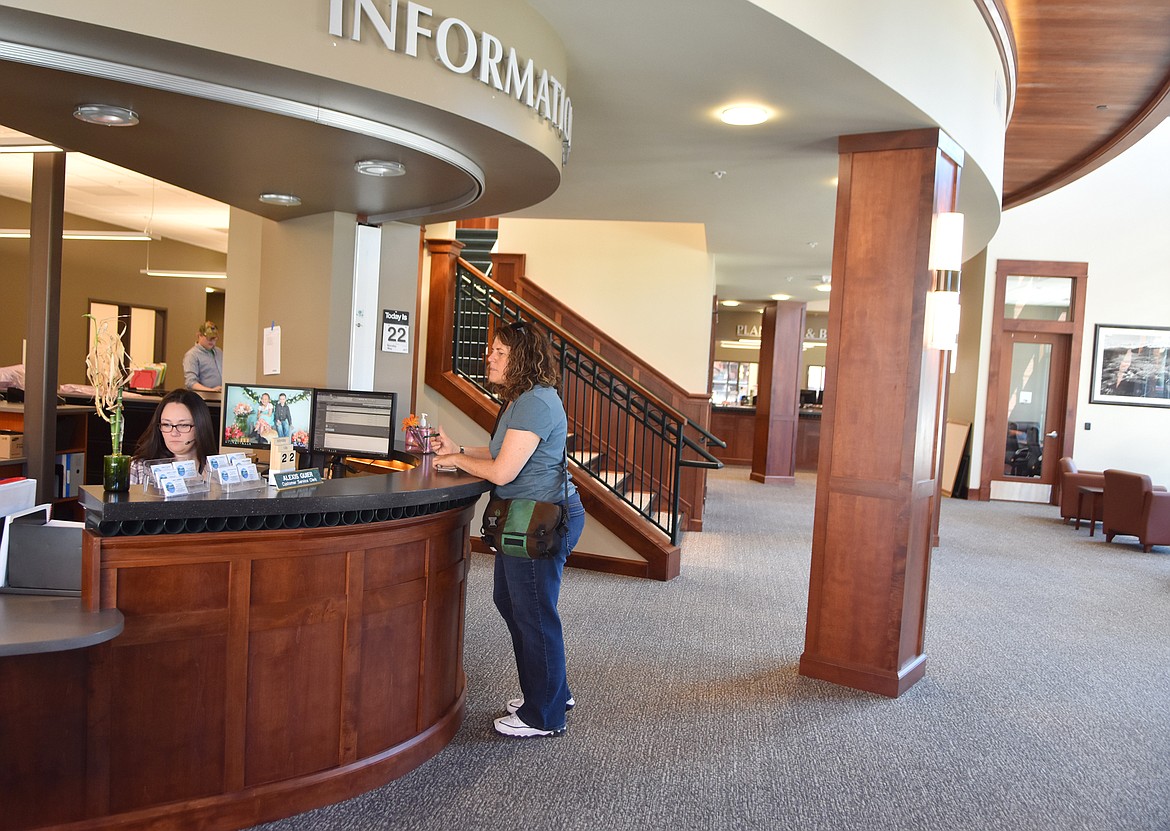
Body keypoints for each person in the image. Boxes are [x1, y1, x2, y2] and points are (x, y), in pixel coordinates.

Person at [430, 321, 585, 739]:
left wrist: (459, 463)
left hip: (540, 521)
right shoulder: (522, 400)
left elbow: (502, 469)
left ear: (522, 358)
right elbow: (504, 451)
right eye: (491, 350)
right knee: (512, 602)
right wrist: (459, 450)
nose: (489, 357)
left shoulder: (535, 402)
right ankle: (552, 691)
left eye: (499, 351)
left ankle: (544, 715)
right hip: (524, 516)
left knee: (533, 614)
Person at [129, 388, 219, 485]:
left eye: (183, 425)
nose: (174, 433)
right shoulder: (139, 467)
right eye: (166, 425)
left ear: (201, 427)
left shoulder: (217, 469)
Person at [182, 321, 223, 392]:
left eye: (214, 338)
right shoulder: (192, 355)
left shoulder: (219, 352)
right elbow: (190, 382)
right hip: (203, 397)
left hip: (220, 396)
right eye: (209, 338)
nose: (212, 341)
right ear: (199, 335)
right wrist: (211, 390)